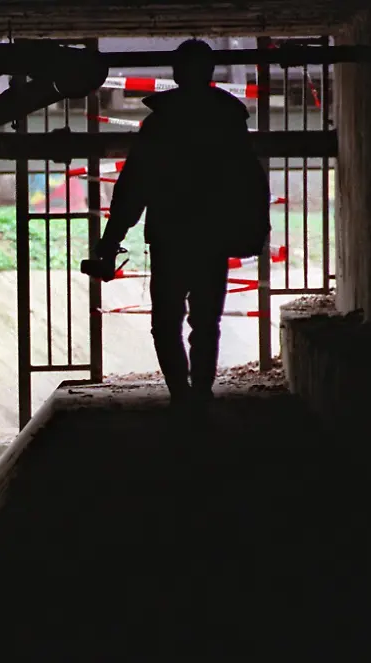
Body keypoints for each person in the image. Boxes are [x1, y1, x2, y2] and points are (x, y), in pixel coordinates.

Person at [90, 38, 269, 415]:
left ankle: (181, 393)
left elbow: (133, 185)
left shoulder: (160, 125)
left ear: (175, 72)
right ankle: (201, 392)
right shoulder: (228, 121)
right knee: (206, 321)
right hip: (213, 235)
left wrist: (111, 242)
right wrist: (256, 227)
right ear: (209, 72)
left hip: (170, 236)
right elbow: (250, 179)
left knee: (166, 322)